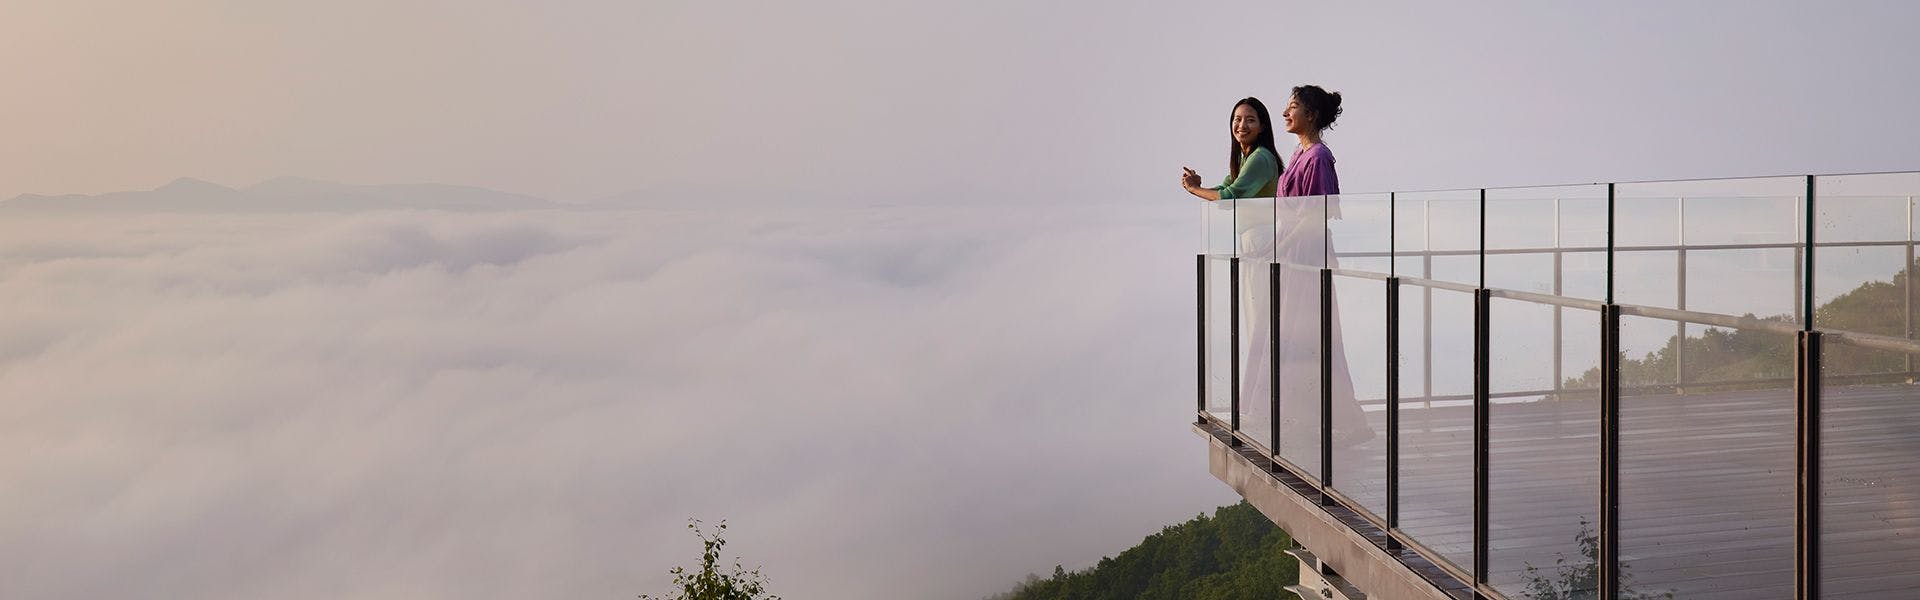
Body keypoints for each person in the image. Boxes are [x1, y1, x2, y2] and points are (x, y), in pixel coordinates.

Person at [1271, 85, 1375, 455]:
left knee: (1318, 339)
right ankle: (1318, 420)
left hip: (1308, 258)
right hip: (1296, 257)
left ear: (1311, 115)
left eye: (1293, 107)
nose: (1285, 113)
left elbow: (1320, 213)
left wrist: (1278, 247)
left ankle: (1345, 423)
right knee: (1304, 340)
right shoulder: (1301, 153)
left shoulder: (1317, 157)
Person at [1180, 97, 1281, 201]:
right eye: (1238, 119)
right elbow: (1224, 189)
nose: (1242, 126)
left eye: (1250, 120)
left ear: (1262, 127)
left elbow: (1230, 196)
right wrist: (1197, 187)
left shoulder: (1260, 158)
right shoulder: (1246, 159)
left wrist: (1194, 188)